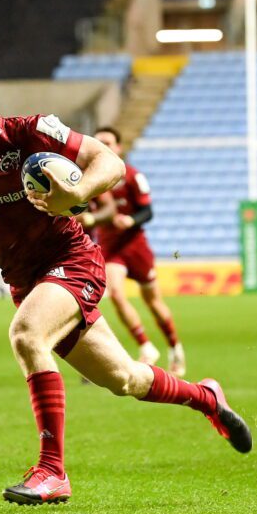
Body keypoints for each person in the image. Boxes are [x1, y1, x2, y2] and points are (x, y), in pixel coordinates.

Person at [0, 63, 250, 505]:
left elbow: (109, 161)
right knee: (125, 379)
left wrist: (76, 194)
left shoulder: (33, 132)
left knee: (26, 335)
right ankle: (206, 397)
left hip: (72, 262)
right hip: (26, 283)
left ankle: (52, 470)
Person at [77, 127, 185, 376]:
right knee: (115, 294)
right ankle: (146, 346)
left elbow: (148, 212)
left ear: (118, 148)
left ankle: (174, 347)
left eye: (107, 142)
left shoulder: (134, 177)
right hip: (110, 247)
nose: (102, 145)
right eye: (98, 142)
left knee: (153, 302)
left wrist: (131, 221)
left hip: (135, 245)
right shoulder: (90, 179)